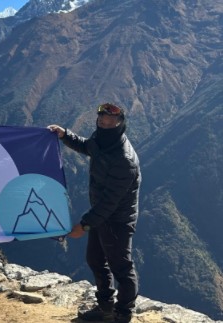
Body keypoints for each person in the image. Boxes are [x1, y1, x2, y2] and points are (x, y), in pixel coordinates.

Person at [48, 103, 141, 323]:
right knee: (96, 259)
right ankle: (106, 308)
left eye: (111, 122)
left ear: (120, 124)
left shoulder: (124, 159)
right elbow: (88, 146)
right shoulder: (102, 140)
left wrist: (85, 224)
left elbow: (110, 202)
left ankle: (123, 314)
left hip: (117, 220)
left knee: (122, 268)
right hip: (101, 216)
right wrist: (64, 135)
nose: (105, 124)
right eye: (101, 120)